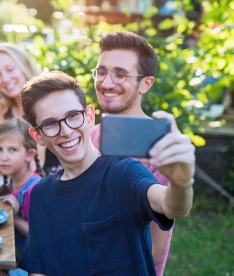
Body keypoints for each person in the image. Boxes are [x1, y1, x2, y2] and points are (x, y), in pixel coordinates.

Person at [19, 71, 195, 275]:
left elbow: (171, 205)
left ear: (89, 117)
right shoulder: (41, 195)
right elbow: (38, 269)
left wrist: (181, 182)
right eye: (50, 124)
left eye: (73, 116)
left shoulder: (123, 173)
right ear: (37, 135)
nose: (66, 131)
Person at [90, 31, 172, 275]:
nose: (106, 83)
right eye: (101, 71)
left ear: (145, 83)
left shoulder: (158, 145)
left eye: (121, 74)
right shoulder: (86, 137)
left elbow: (155, 251)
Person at [0, 43, 60, 174]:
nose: (5, 79)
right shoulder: (4, 113)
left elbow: (36, 167)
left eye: (10, 69)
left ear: (24, 66)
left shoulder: (44, 107)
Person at [0, 118, 42, 276]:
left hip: (26, 267)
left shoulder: (34, 190)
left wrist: (14, 218)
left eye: (12, 150)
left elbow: (39, 235)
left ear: (29, 155)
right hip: (10, 257)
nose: (3, 157)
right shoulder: (13, 182)